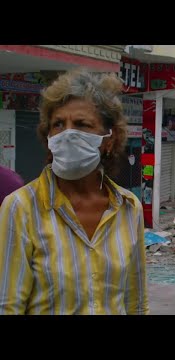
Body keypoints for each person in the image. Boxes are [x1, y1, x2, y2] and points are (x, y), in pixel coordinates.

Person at [0, 68, 149, 315]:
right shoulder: (21, 207)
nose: (67, 134)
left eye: (82, 124)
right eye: (58, 124)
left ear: (109, 140)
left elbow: (136, 303)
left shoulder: (129, 207)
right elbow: (7, 306)